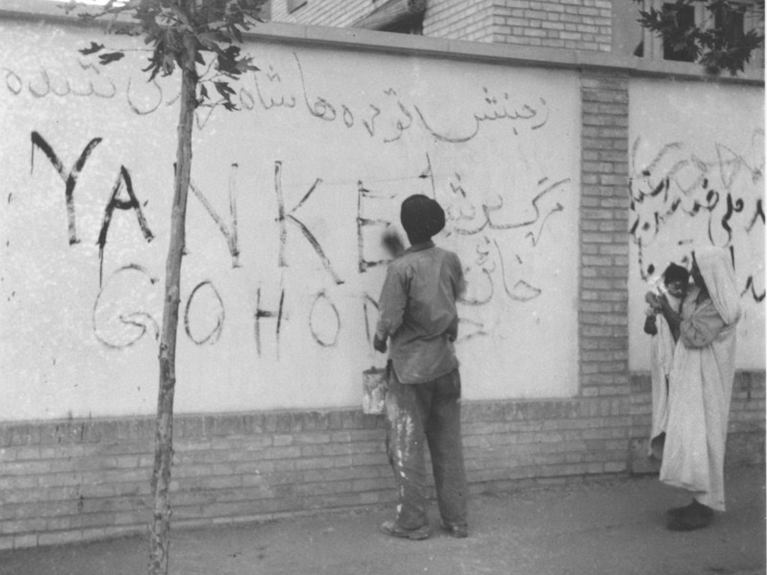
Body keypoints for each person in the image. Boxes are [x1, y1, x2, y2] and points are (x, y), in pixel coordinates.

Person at [373, 194, 469, 540]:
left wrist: (379, 338)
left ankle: (412, 522)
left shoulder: (400, 269)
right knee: (448, 446)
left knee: (407, 447)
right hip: (446, 365)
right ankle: (457, 520)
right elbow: (451, 294)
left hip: (411, 371)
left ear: (406, 227)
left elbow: (389, 318)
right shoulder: (449, 260)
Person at [653, 246, 741, 531]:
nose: (691, 271)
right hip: (689, 377)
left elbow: (692, 335)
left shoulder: (723, 304)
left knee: (707, 437)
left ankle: (706, 506)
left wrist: (664, 308)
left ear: (710, 272)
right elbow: (680, 313)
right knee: (691, 437)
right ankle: (698, 499)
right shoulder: (697, 294)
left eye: (697, 268)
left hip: (709, 381)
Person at [643, 263, 690, 459]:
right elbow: (649, 329)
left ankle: (675, 449)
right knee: (664, 399)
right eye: (675, 285)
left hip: (680, 357)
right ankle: (662, 446)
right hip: (663, 358)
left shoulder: (684, 303)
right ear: (668, 283)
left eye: (682, 286)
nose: (679, 290)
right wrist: (653, 318)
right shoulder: (658, 300)